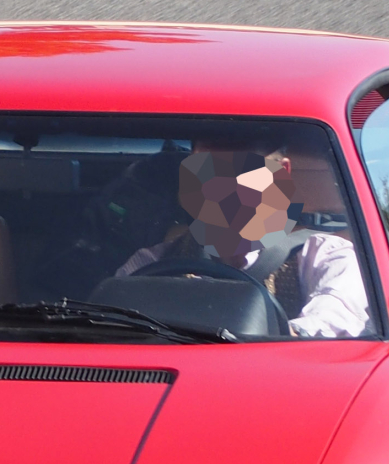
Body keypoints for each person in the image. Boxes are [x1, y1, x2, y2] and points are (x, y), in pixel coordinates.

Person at [112, 145, 373, 338]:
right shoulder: (155, 261)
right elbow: (110, 323)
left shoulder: (325, 256)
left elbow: (336, 317)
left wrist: (282, 334)